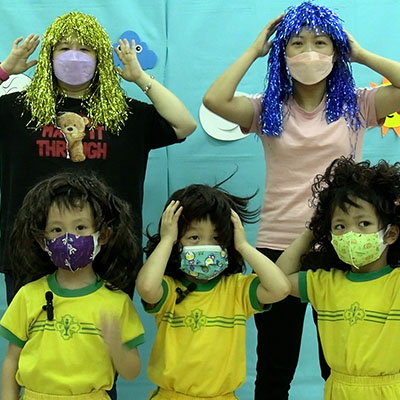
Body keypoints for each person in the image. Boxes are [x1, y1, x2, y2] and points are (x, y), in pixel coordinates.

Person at [202, 2, 400, 398]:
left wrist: (360, 54)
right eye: (297, 43)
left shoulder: (357, 104)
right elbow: (215, 101)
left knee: (339, 360)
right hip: (277, 247)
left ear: (336, 51)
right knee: (275, 366)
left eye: (321, 42)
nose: (309, 52)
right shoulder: (268, 108)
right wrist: (255, 50)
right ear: (283, 53)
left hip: (342, 245)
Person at [0, 11, 196, 303]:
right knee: (34, 332)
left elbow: (184, 125)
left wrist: (140, 77)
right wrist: (5, 70)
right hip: (32, 250)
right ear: (49, 57)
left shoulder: (127, 114)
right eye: (64, 48)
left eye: (85, 49)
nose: (74, 56)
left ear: (100, 58)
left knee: (105, 333)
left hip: (110, 253)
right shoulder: (16, 109)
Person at [136, 183, 291, 399]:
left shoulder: (237, 289)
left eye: (217, 238)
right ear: (177, 243)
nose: (206, 246)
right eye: (194, 237)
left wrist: (243, 246)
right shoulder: (169, 289)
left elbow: (280, 288)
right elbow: (146, 287)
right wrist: (167, 239)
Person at [0, 172, 145, 400]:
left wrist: (116, 346)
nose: (69, 238)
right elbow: (11, 360)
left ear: (103, 235)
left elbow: (131, 372)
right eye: (56, 230)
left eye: (80, 227)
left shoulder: (117, 302)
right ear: (42, 240)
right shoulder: (28, 296)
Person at [277, 156, 400, 399]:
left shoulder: (396, 283)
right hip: (338, 390)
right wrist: (311, 232)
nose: (350, 234)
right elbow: (277, 282)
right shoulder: (325, 284)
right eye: (340, 226)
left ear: (390, 234)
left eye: (363, 223)